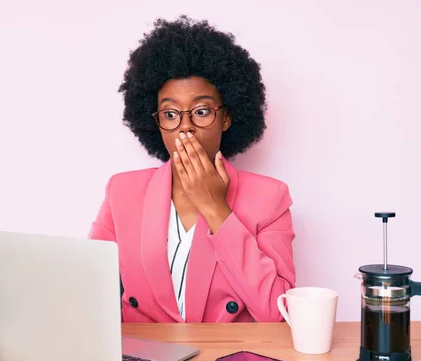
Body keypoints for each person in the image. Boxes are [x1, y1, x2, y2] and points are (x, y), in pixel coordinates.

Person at [89, 15, 295, 323]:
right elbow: (88, 293)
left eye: (201, 111)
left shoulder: (270, 198)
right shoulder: (121, 192)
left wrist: (216, 209)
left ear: (227, 117)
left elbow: (278, 314)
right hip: (144, 360)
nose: (185, 127)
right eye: (170, 114)